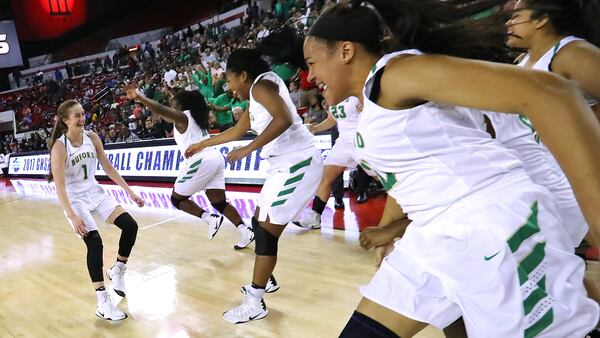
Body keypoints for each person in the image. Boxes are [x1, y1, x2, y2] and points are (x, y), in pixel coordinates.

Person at [303, 1, 600, 337]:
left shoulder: (396, 74)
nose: (310, 77)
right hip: (433, 238)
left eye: (312, 63)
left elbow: (552, 92)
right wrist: (390, 230)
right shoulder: (375, 96)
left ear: (345, 51)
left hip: (492, 227)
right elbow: (416, 171)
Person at [185, 30, 324, 324]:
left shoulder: (261, 86)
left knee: (266, 233)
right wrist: (202, 143)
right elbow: (236, 131)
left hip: (296, 163)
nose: (227, 83)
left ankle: (255, 300)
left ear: (244, 75)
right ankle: (266, 278)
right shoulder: (257, 91)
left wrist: (249, 149)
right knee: (257, 223)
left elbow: (284, 119)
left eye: (229, 77)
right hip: (282, 165)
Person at [48, 99, 145, 321]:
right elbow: (60, 187)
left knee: (130, 225)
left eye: (83, 114)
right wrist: (72, 215)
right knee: (95, 242)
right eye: (77, 116)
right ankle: (103, 302)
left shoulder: (92, 137)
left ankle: (118, 270)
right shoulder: (60, 147)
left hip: (94, 192)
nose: (82, 119)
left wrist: (129, 191)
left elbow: (107, 166)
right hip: (74, 200)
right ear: (65, 121)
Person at [123, 86, 254, 249]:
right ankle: (246, 230)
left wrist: (140, 98)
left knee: (177, 199)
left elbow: (161, 109)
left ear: (180, 105)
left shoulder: (183, 116)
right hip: (215, 158)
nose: (171, 104)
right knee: (219, 202)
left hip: (201, 159)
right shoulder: (197, 117)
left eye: (173, 102)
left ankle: (209, 218)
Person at [294, 96, 362, 229]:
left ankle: (406, 211)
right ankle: (315, 218)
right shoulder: (334, 94)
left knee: (383, 177)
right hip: (343, 142)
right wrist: (315, 129)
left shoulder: (358, 91)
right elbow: (331, 120)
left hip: (362, 139)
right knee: (325, 177)